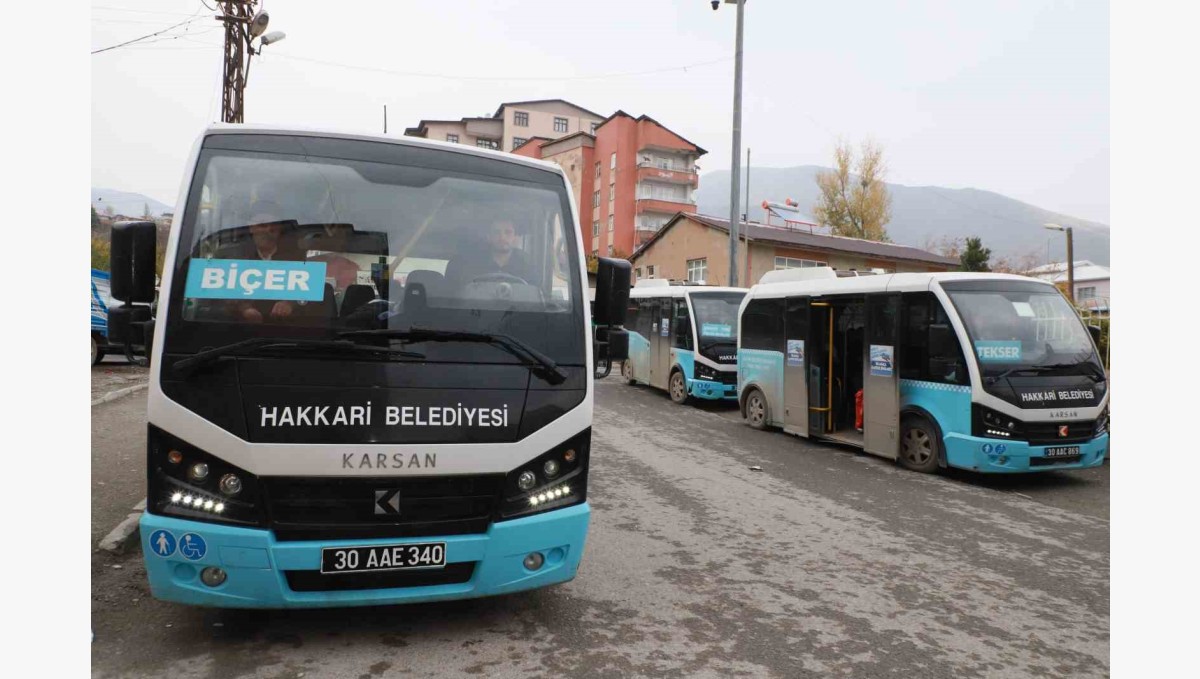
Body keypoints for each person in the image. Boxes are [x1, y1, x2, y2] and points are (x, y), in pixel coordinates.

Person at [225, 202, 305, 323]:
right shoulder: (234, 258)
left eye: (273, 227)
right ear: (251, 228)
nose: (268, 231)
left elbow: (308, 293)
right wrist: (244, 309)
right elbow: (221, 294)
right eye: (262, 225)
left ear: (279, 230)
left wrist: (290, 303)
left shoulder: (297, 259)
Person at [445, 217, 536, 288]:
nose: (502, 237)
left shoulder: (527, 266)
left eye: (508, 232)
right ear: (489, 237)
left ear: (515, 237)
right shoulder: (471, 266)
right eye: (496, 232)